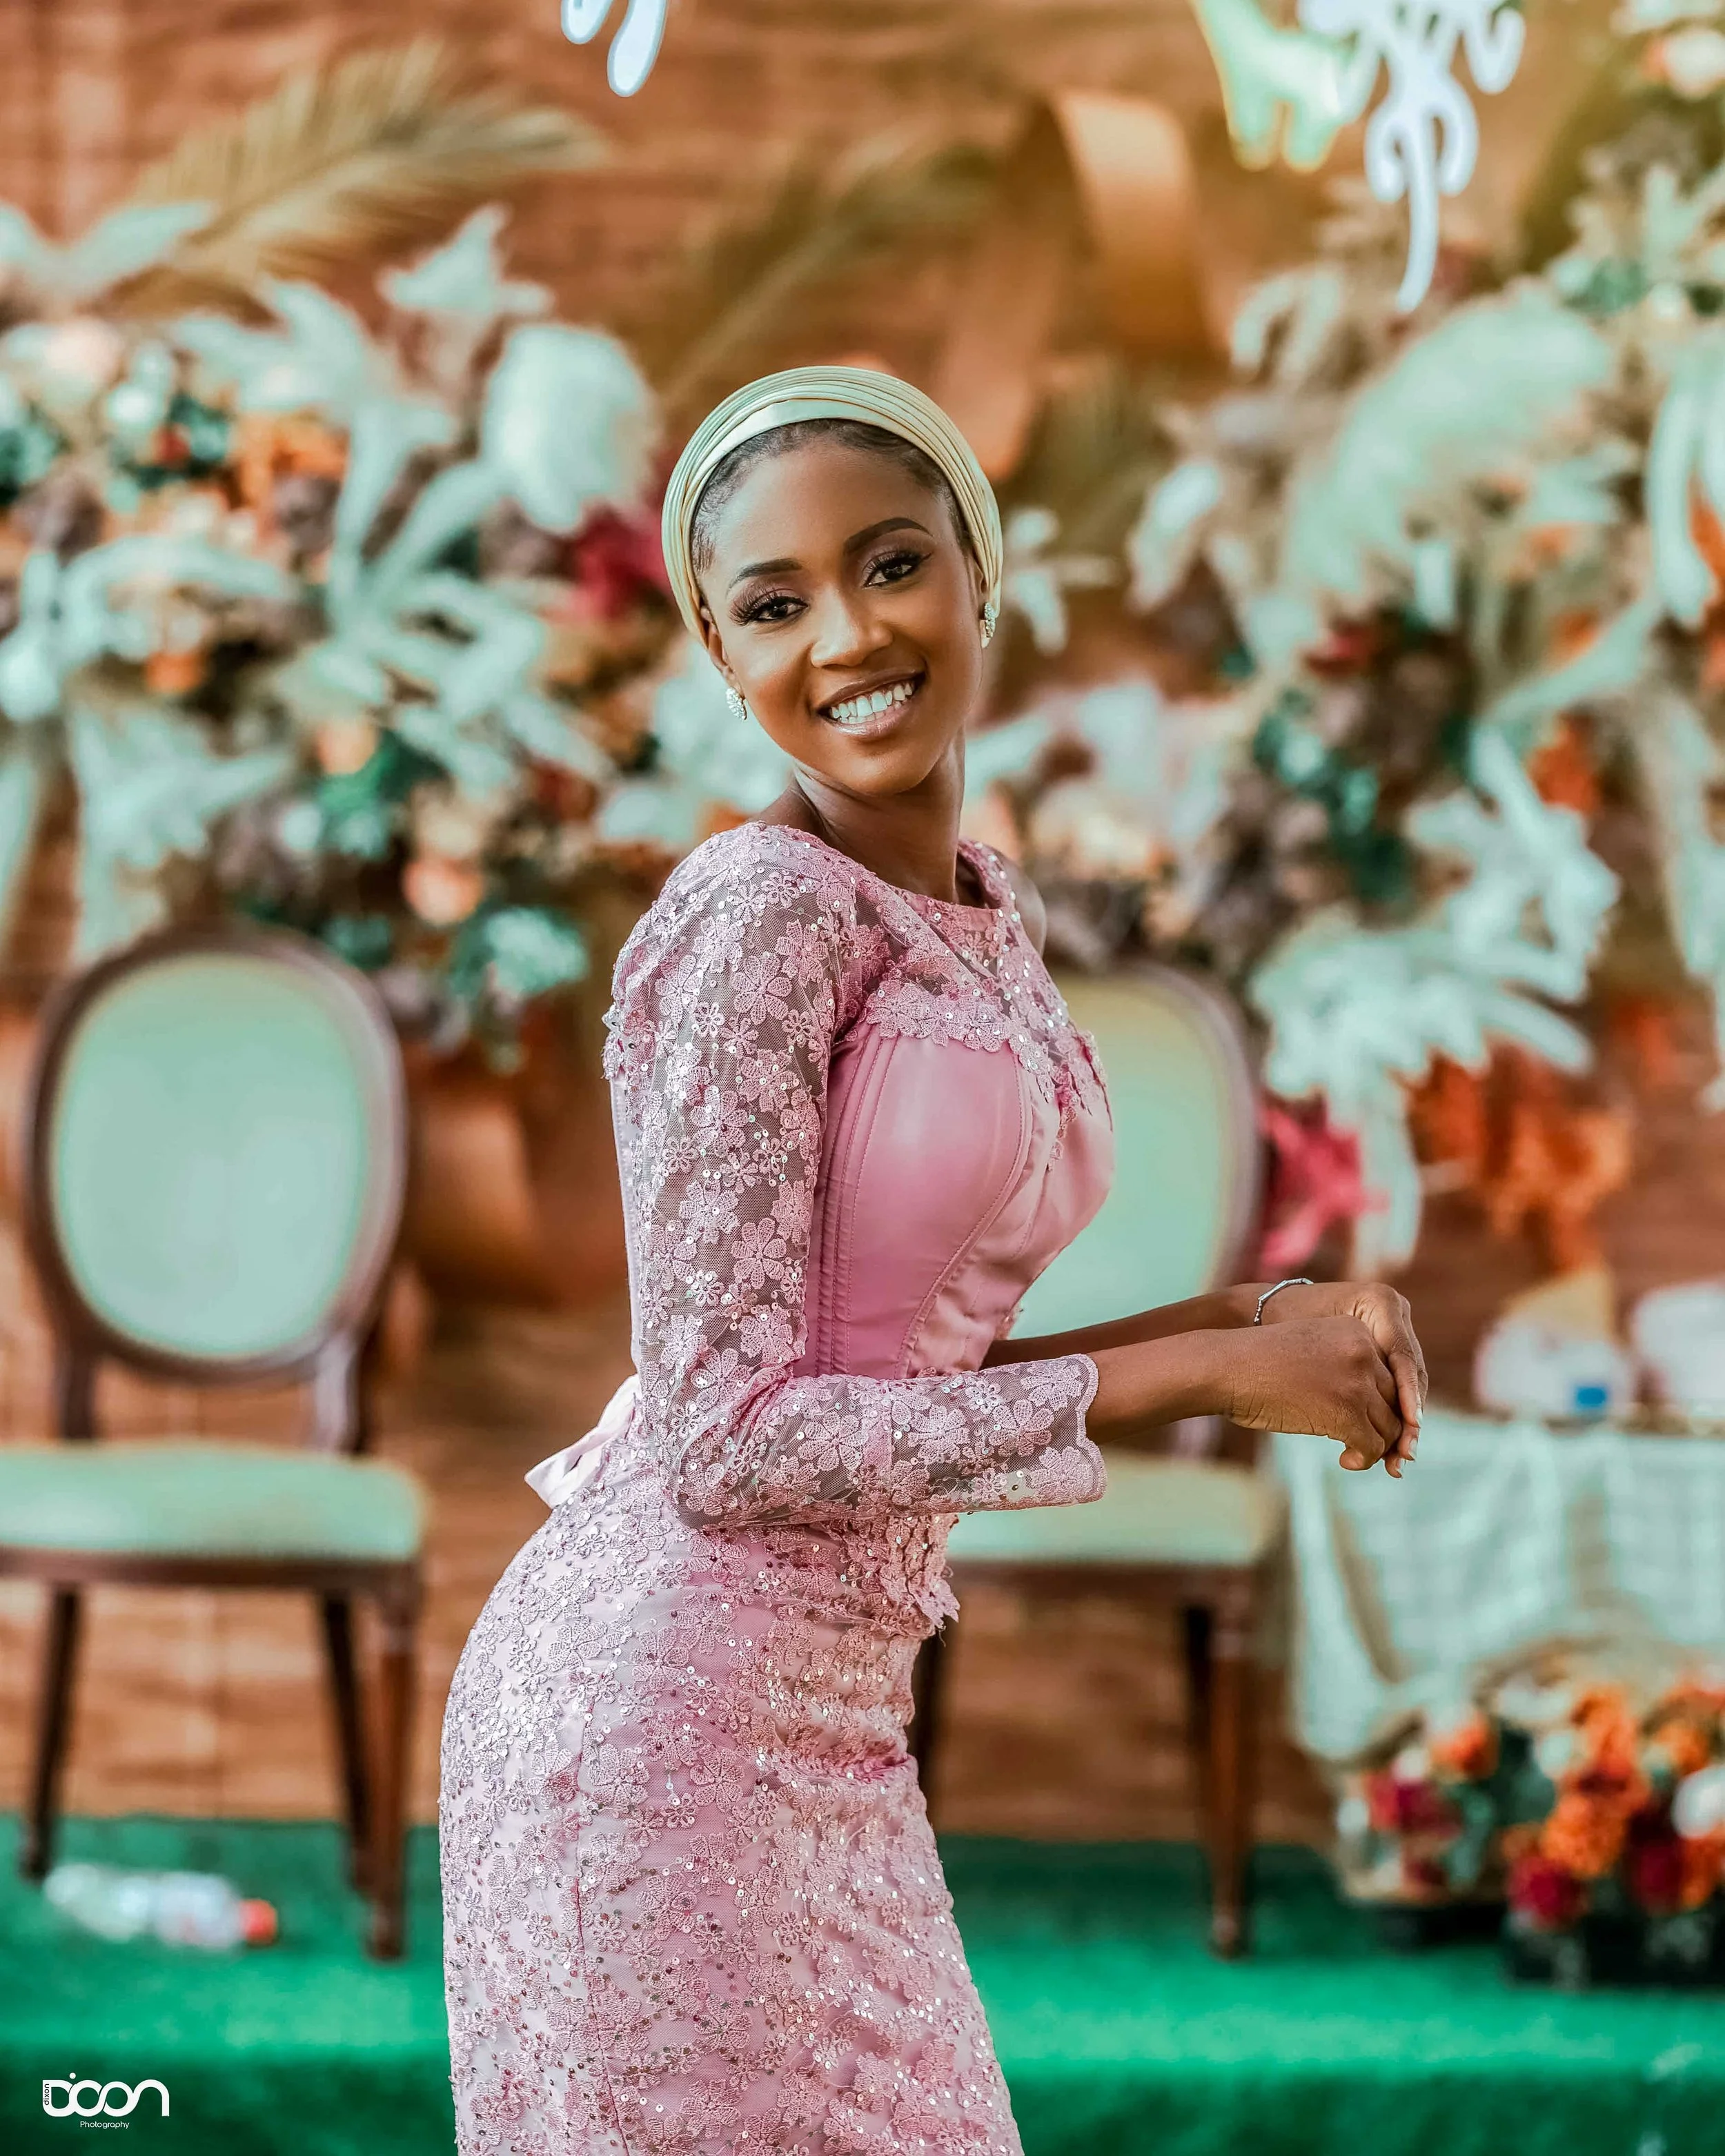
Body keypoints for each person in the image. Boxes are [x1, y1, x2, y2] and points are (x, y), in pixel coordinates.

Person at [440, 366, 1428, 2155]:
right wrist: (1203, 1372)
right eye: (773, 602)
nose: (845, 635)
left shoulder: (981, 904)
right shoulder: (752, 922)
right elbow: (731, 1439)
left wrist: (1248, 1319)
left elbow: (895, 1362)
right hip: (649, 1724)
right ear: (720, 654)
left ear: (983, 571)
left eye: (889, 563)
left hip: (831, 1722)